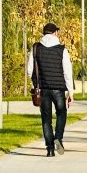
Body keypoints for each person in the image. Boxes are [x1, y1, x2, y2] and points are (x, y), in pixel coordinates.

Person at [28, 22, 74, 157]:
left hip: (42, 89)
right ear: (55, 33)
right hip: (58, 89)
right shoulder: (62, 50)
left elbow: (29, 70)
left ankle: (49, 149)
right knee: (61, 113)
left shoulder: (36, 48)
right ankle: (58, 138)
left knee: (46, 118)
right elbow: (67, 72)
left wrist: (35, 84)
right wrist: (70, 93)